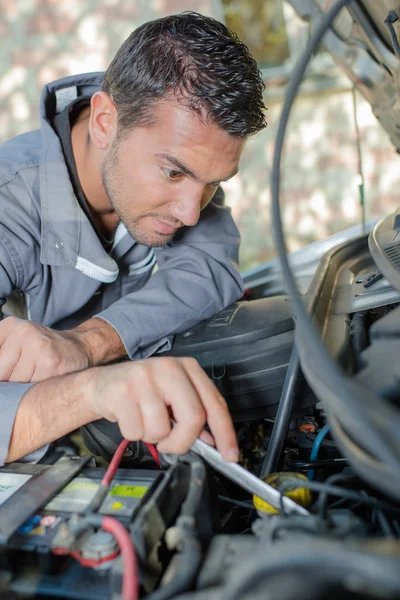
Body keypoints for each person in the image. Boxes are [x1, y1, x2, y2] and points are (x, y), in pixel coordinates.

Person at [0, 12, 266, 465]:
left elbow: (211, 272)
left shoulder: (181, 165)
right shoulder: (10, 203)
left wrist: (89, 343)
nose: (190, 212)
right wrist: (92, 389)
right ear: (105, 121)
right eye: (174, 172)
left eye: (213, 183)